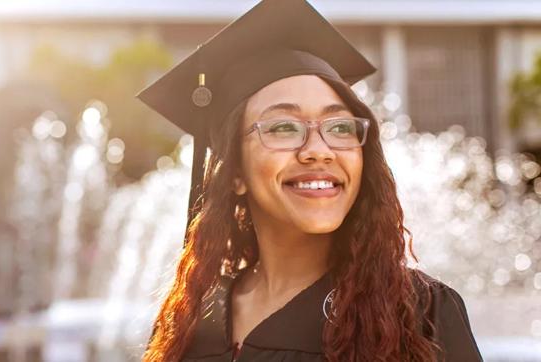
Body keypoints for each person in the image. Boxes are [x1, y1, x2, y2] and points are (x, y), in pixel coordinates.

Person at [136, 0, 483, 361]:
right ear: (235, 173)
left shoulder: (418, 313)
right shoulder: (193, 315)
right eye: (284, 127)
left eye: (339, 127)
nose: (319, 150)